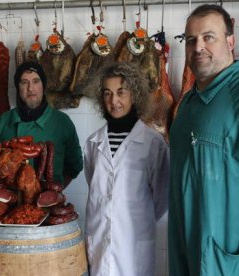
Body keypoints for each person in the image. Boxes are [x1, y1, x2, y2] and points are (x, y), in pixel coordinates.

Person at [169, 4, 239, 275]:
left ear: (231, 41)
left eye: (209, 37)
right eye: (191, 40)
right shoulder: (188, 103)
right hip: (185, 256)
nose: (198, 47)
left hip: (230, 263)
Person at [84, 62, 169, 276]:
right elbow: (97, 188)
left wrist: (129, 215)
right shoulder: (93, 143)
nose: (114, 101)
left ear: (134, 94)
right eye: (107, 93)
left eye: (121, 92)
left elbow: (161, 200)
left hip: (134, 245)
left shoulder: (153, 143)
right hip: (100, 246)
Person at [0, 61, 83, 188]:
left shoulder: (62, 122)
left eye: (36, 81)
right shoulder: (2, 122)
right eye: (24, 82)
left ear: (43, 85)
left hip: (47, 205)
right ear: (18, 87)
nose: (30, 88)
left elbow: (75, 167)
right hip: (10, 204)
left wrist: (54, 193)